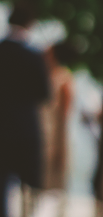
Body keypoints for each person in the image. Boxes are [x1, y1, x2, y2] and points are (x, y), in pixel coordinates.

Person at [0, 0, 51, 217]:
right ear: (29, 24)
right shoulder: (34, 56)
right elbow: (44, 94)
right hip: (25, 128)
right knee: (29, 186)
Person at [41, 39, 76, 192]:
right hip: (40, 131)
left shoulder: (64, 78)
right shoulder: (43, 75)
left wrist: (60, 149)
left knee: (50, 183)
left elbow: (64, 116)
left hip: (53, 136)